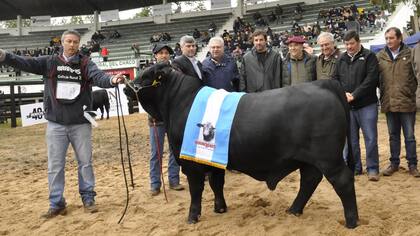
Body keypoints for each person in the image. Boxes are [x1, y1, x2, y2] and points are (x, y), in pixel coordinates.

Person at [0, 30, 125, 218]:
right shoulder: (49, 62)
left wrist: (112, 80)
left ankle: (88, 197)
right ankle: (56, 203)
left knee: (85, 163)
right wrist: (4, 56)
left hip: (81, 123)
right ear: (62, 43)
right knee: (55, 166)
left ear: (79, 43)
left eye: (75, 42)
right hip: (55, 124)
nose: (72, 45)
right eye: (69, 41)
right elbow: (24, 62)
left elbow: (99, 76)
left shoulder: (85, 63)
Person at [332, 30, 380, 181]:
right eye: (346, 44)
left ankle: (372, 168)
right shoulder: (341, 59)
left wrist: (355, 94)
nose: (349, 47)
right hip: (348, 107)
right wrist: (343, 93)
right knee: (350, 140)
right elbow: (335, 79)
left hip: (367, 104)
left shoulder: (369, 56)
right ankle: (354, 167)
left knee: (370, 138)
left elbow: (371, 79)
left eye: (352, 43)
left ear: (358, 42)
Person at [377, 27, 420, 177]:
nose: (389, 41)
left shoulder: (410, 53)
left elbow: (416, 76)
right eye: (387, 38)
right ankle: (394, 163)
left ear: (400, 38)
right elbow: (377, 80)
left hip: (407, 102)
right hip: (389, 102)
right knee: (393, 135)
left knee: (409, 136)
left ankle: (412, 165)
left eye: (391, 38)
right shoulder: (380, 56)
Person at [146, 44, 185, 195]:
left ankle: (174, 180)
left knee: (175, 150)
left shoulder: (176, 71)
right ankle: (155, 183)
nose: (163, 55)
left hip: (173, 117)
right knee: (156, 152)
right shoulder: (149, 73)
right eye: (160, 53)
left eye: (166, 53)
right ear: (155, 55)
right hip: (156, 119)